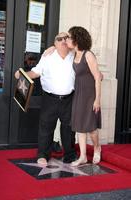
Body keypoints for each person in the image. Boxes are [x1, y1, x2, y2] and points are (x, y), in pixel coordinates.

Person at [15, 32, 77, 166]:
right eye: (59, 39)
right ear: (54, 43)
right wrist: (23, 74)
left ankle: (69, 155)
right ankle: (43, 154)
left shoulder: (74, 56)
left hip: (69, 99)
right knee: (46, 127)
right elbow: (36, 72)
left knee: (69, 128)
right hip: (50, 98)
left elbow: (84, 54)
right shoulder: (47, 56)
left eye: (66, 38)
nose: (63, 40)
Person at [65, 26, 102, 166]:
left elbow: (97, 77)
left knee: (91, 127)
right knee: (80, 126)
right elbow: (58, 44)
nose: (67, 40)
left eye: (69, 37)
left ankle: (97, 147)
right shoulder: (74, 54)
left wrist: (97, 100)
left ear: (77, 39)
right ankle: (83, 157)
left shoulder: (88, 54)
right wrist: (49, 49)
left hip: (89, 95)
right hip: (78, 93)